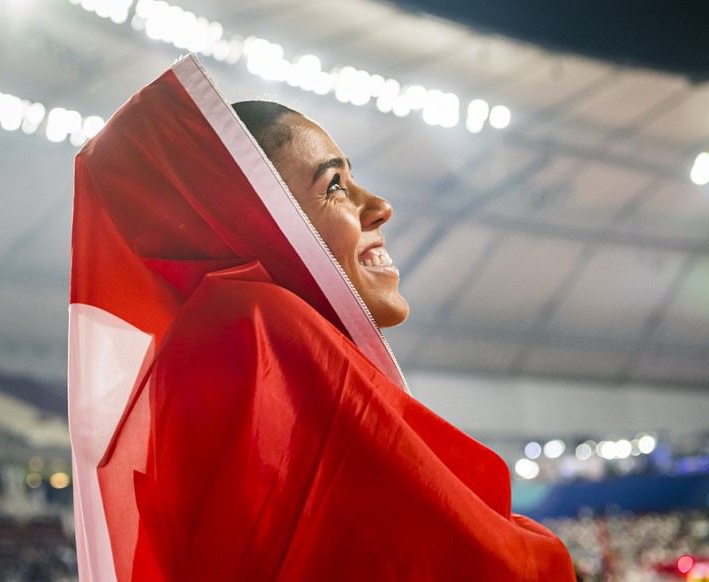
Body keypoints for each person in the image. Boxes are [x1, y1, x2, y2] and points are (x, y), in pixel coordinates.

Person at [69, 54, 575, 581]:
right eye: (334, 185)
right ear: (264, 223)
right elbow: (488, 566)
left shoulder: (222, 326)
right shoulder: (258, 324)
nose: (380, 206)